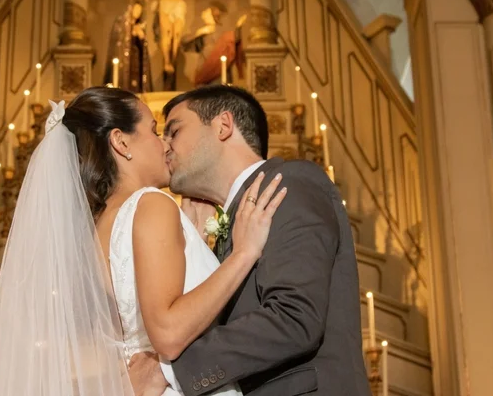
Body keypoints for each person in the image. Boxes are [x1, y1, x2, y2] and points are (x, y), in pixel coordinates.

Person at [0, 86, 286, 395]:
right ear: (121, 142)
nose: (164, 144)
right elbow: (168, 332)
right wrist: (242, 254)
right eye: (153, 130)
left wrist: (196, 244)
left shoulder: (94, 230)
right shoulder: (150, 204)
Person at [130, 85, 370, 396]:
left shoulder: (289, 184)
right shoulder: (231, 223)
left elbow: (294, 317)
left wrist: (170, 372)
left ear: (223, 126)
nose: (165, 146)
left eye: (174, 131)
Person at [114, 0, 225, 79]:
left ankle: (173, 59)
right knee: (166, 33)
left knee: (176, 35)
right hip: (165, 4)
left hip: (178, 4)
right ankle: (167, 62)